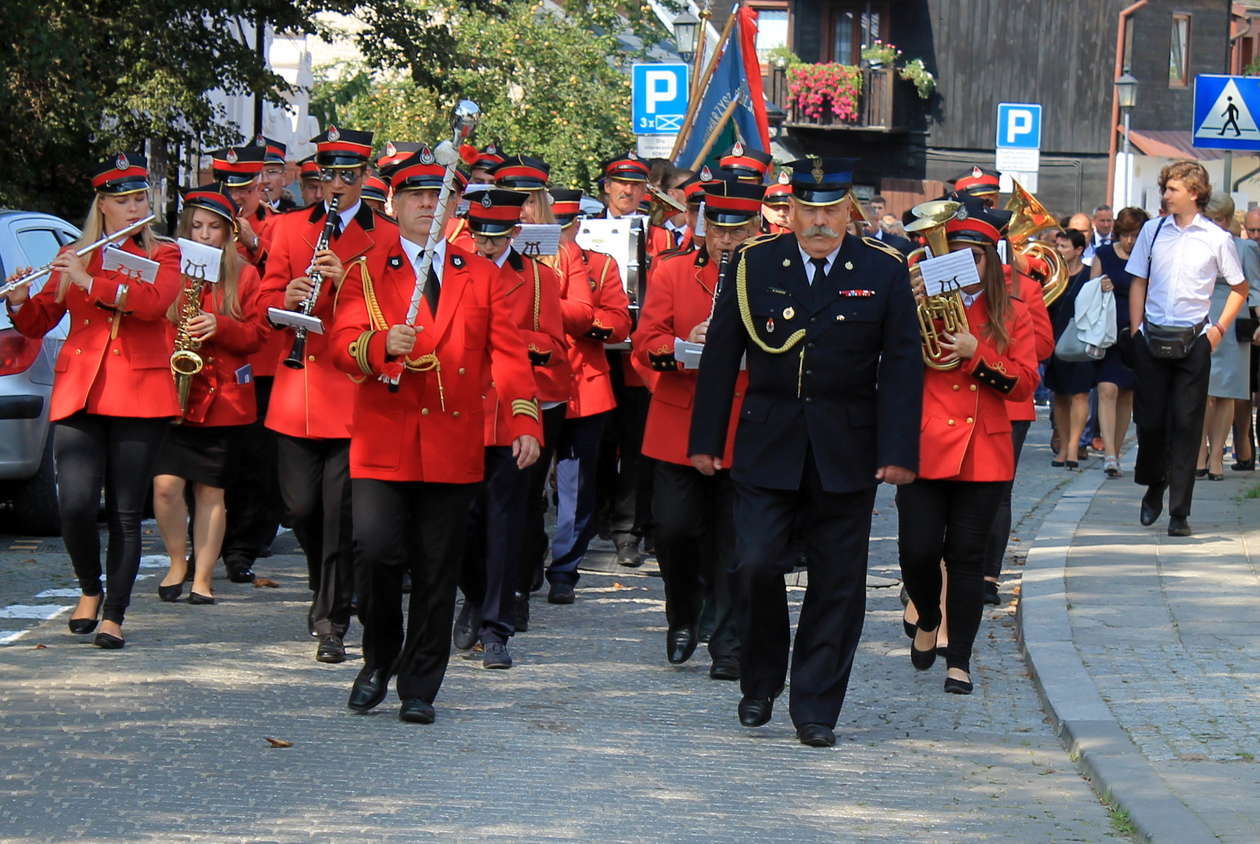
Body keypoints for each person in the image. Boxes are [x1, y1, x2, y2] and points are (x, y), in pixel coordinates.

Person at [689, 157, 922, 747]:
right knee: (755, 564)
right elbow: (720, 356)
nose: (819, 221)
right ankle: (760, 679)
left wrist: (899, 450)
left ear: (850, 210)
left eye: (830, 210)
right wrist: (705, 441)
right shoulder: (752, 263)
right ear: (789, 210)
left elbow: (900, 365)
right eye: (808, 209)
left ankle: (816, 706)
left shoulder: (883, 269)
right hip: (768, 441)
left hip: (847, 445)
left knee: (838, 583)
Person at [330, 147, 541, 724]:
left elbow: (508, 352)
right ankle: (378, 657)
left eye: (439, 195)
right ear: (394, 203)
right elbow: (340, 342)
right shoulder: (366, 269)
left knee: (436, 566)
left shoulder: (478, 273)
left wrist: (524, 418)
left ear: (454, 205)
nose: (429, 204)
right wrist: (378, 347)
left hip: (452, 439)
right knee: (375, 553)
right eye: (416, 195)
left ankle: (420, 682)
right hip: (384, 437)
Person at [2, 153, 181, 648]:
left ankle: (115, 615)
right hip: (81, 388)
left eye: (139, 199)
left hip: (140, 392)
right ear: (102, 206)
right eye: (122, 201)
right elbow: (40, 320)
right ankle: (88, 589)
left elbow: (155, 304)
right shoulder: (82, 251)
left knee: (125, 511)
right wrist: (20, 300)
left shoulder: (164, 254)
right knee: (76, 505)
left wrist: (90, 282)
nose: (132, 208)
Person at [259, 125, 396, 661]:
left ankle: (332, 617)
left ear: (363, 178)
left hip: (352, 392)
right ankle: (328, 587)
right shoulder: (291, 229)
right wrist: (285, 294)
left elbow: (389, 311)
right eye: (326, 175)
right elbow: (265, 298)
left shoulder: (384, 237)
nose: (334, 185)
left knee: (339, 514)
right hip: (298, 388)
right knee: (301, 510)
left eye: (346, 175)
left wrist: (346, 285)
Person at [901, 205, 1037, 694]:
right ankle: (927, 613)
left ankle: (959, 661)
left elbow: (1024, 384)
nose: (962, 267)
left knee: (966, 559)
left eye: (972, 259)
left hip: (983, 450)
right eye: (951, 257)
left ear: (988, 263)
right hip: (927, 443)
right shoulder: (917, 302)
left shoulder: (1012, 311)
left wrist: (975, 355)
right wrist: (905, 303)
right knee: (916, 550)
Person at [634, 179, 764, 680]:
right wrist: (684, 342)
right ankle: (683, 613)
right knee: (673, 530)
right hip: (679, 421)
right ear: (704, 230)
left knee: (733, 541)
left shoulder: (769, 275)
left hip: (741, 425)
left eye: (737, 231)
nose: (725, 242)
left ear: (755, 229)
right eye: (717, 231)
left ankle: (728, 644)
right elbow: (646, 339)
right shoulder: (672, 272)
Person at [456, 181, 567, 669]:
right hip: (459, 412)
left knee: (505, 524)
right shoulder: (452, 269)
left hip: (510, 410)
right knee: (461, 524)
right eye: (479, 235)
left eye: (496, 237)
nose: (486, 246)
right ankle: (475, 596)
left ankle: (496, 627)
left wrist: (513, 340)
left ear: (515, 233)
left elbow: (556, 348)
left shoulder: (540, 279)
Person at [153, 185, 263, 604]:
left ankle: (202, 576)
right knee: (165, 486)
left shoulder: (246, 275)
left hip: (220, 397)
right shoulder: (171, 267)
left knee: (210, 490)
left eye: (213, 227)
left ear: (228, 232)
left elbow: (257, 335)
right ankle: (176, 561)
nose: (203, 235)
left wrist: (221, 325)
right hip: (172, 391)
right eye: (195, 226)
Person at [1126, 160, 1247, 537]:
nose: (1165, 195)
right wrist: (1135, 330)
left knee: (1186, 424)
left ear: (1194, 193)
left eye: (1173, 189)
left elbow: (1239, 289)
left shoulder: (1216, 238)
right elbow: (1138, 281)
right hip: (1152, 337)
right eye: (1165, 188)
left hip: (1194, 341)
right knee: (1150, 422)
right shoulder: (1152, 230)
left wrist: (1218, 330)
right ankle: (1154, 482)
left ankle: (1179, 512)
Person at [544, 189, 632, 608]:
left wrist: (582, 318)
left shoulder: (600, 264)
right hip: (534, 386)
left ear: (578, 224)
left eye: (566, 226)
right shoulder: (524, 266)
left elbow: (618, 321)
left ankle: (564, 568)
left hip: (583, 386)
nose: (560, 235)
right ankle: (524, 563)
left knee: (576, 487)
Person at [1197, 195, 1260, 480]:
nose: (1215, 225)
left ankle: (1217, 458)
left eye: (1220, 219)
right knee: (1202, 389)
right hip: (1203, 314)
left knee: (1226, 393)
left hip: (1234, 319)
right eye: (1210, 219)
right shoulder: (1195, 245)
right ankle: (1199, 453)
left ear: (1229, 219)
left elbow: (1255, 287)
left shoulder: (1244, 247)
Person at [1090, 207, 1149, 477]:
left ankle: (1116, 448)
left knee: (1126, 393)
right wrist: (1099, 286)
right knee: (1106, 389)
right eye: (1125, 235)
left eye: (1135, 235)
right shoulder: (1103, 255)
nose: (1130, 241)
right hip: (1107, 331)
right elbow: (1089, 291)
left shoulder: (1149, 259)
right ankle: (1110, 454)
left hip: (1135, 333)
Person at [1043, 228, 1096, 469]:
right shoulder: (1052, 275)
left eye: (1065, 247)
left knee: (1080, 394)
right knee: (1060, 396)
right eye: (1058, 246)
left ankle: (1075, 445)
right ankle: (1063, 446)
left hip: (1080, 341)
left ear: (1078, 250)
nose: (1060, 251)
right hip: (1055, 340)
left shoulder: (1088, 274)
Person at [207, 145, 269, 269]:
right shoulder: (203, 220)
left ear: (260, 187)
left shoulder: (277, 223)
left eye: (243, 189)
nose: (234, 197)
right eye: (227, 190)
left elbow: (285, 271)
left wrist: (254, 243)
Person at [256, 135, 296, 213]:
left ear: (284, 177)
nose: (264, 180)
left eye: (272, 172)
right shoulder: (236, 218)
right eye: (257, 173)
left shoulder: (298, 218)